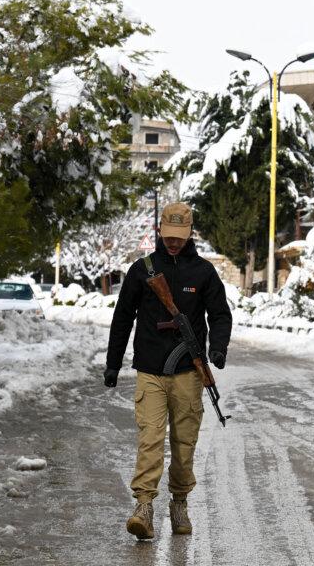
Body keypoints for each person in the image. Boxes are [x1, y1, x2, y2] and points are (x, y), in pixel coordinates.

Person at [104, 202, 232, 541]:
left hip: (188, 373)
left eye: (180, 237)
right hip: (150, 370)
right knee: (150, 438)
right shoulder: (142, 270)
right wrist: (112, 363)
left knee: (183, 443)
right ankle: (143, 506)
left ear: (189, 233)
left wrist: (217, 348)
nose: (174, 243)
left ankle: (179, 501)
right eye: (169, 236)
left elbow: (220, 314)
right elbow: (122, 318)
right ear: (160, 230)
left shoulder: (203, 271)